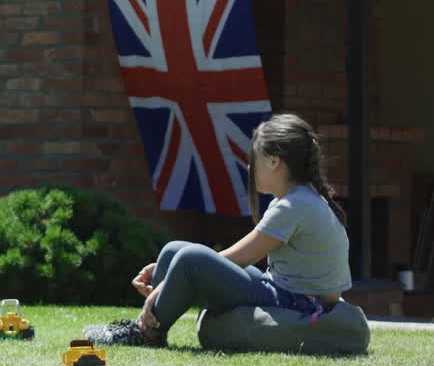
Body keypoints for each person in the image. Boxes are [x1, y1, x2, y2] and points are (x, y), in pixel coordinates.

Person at [83, 113, 351, 347]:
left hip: (296, 302)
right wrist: (168, 270)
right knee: (175, 250)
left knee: (189, 259)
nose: (250, 166)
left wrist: (163, 285)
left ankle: (146, 333)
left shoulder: (294, 205)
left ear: (273, 161)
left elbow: (240, 257)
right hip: (283, 291)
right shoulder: (301, 199)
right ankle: (148, 326)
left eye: (254, 158)